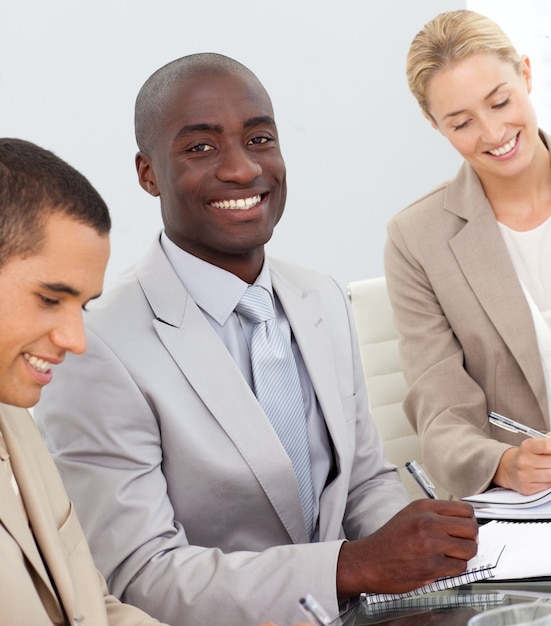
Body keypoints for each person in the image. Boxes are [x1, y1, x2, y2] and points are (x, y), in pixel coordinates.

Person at [35, 53, 478, 626]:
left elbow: (364, 480)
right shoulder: (97, 345)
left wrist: (423, 561)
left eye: (260, 138)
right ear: (148, 173)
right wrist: (351, 565)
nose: (243, 170)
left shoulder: (318, 297)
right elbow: (138, 577)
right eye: (200, 147)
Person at [0, 137, 172, 625]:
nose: (77, 340)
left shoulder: (14, 415)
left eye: (84, 306)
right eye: (51, 299)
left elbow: (94, 610)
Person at [384, 9, 551, 499]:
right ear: (433, 124)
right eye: (461, 123)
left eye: (500, 102)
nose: (493, 134)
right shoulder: (416, 239)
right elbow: (441, 413)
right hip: (533, 509)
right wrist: (503, 463)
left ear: (525, 72)